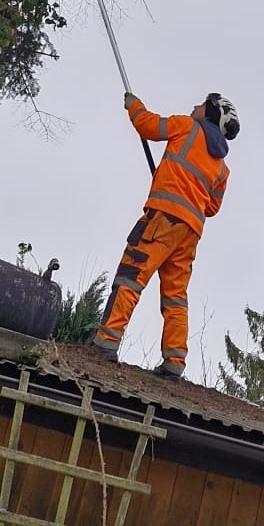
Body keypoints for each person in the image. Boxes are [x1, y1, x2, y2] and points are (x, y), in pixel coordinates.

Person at [92, 90, 240, 380]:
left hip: (162, 219)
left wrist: (132, 104)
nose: (195, 106)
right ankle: (174, 361)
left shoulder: (186, 126)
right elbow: (211, 207)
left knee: (131, 275)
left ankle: (106, 341)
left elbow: (148, 125)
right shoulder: (222, 169)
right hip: (189, 234)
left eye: (201, 104)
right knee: (175, 295)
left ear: (211, 113)